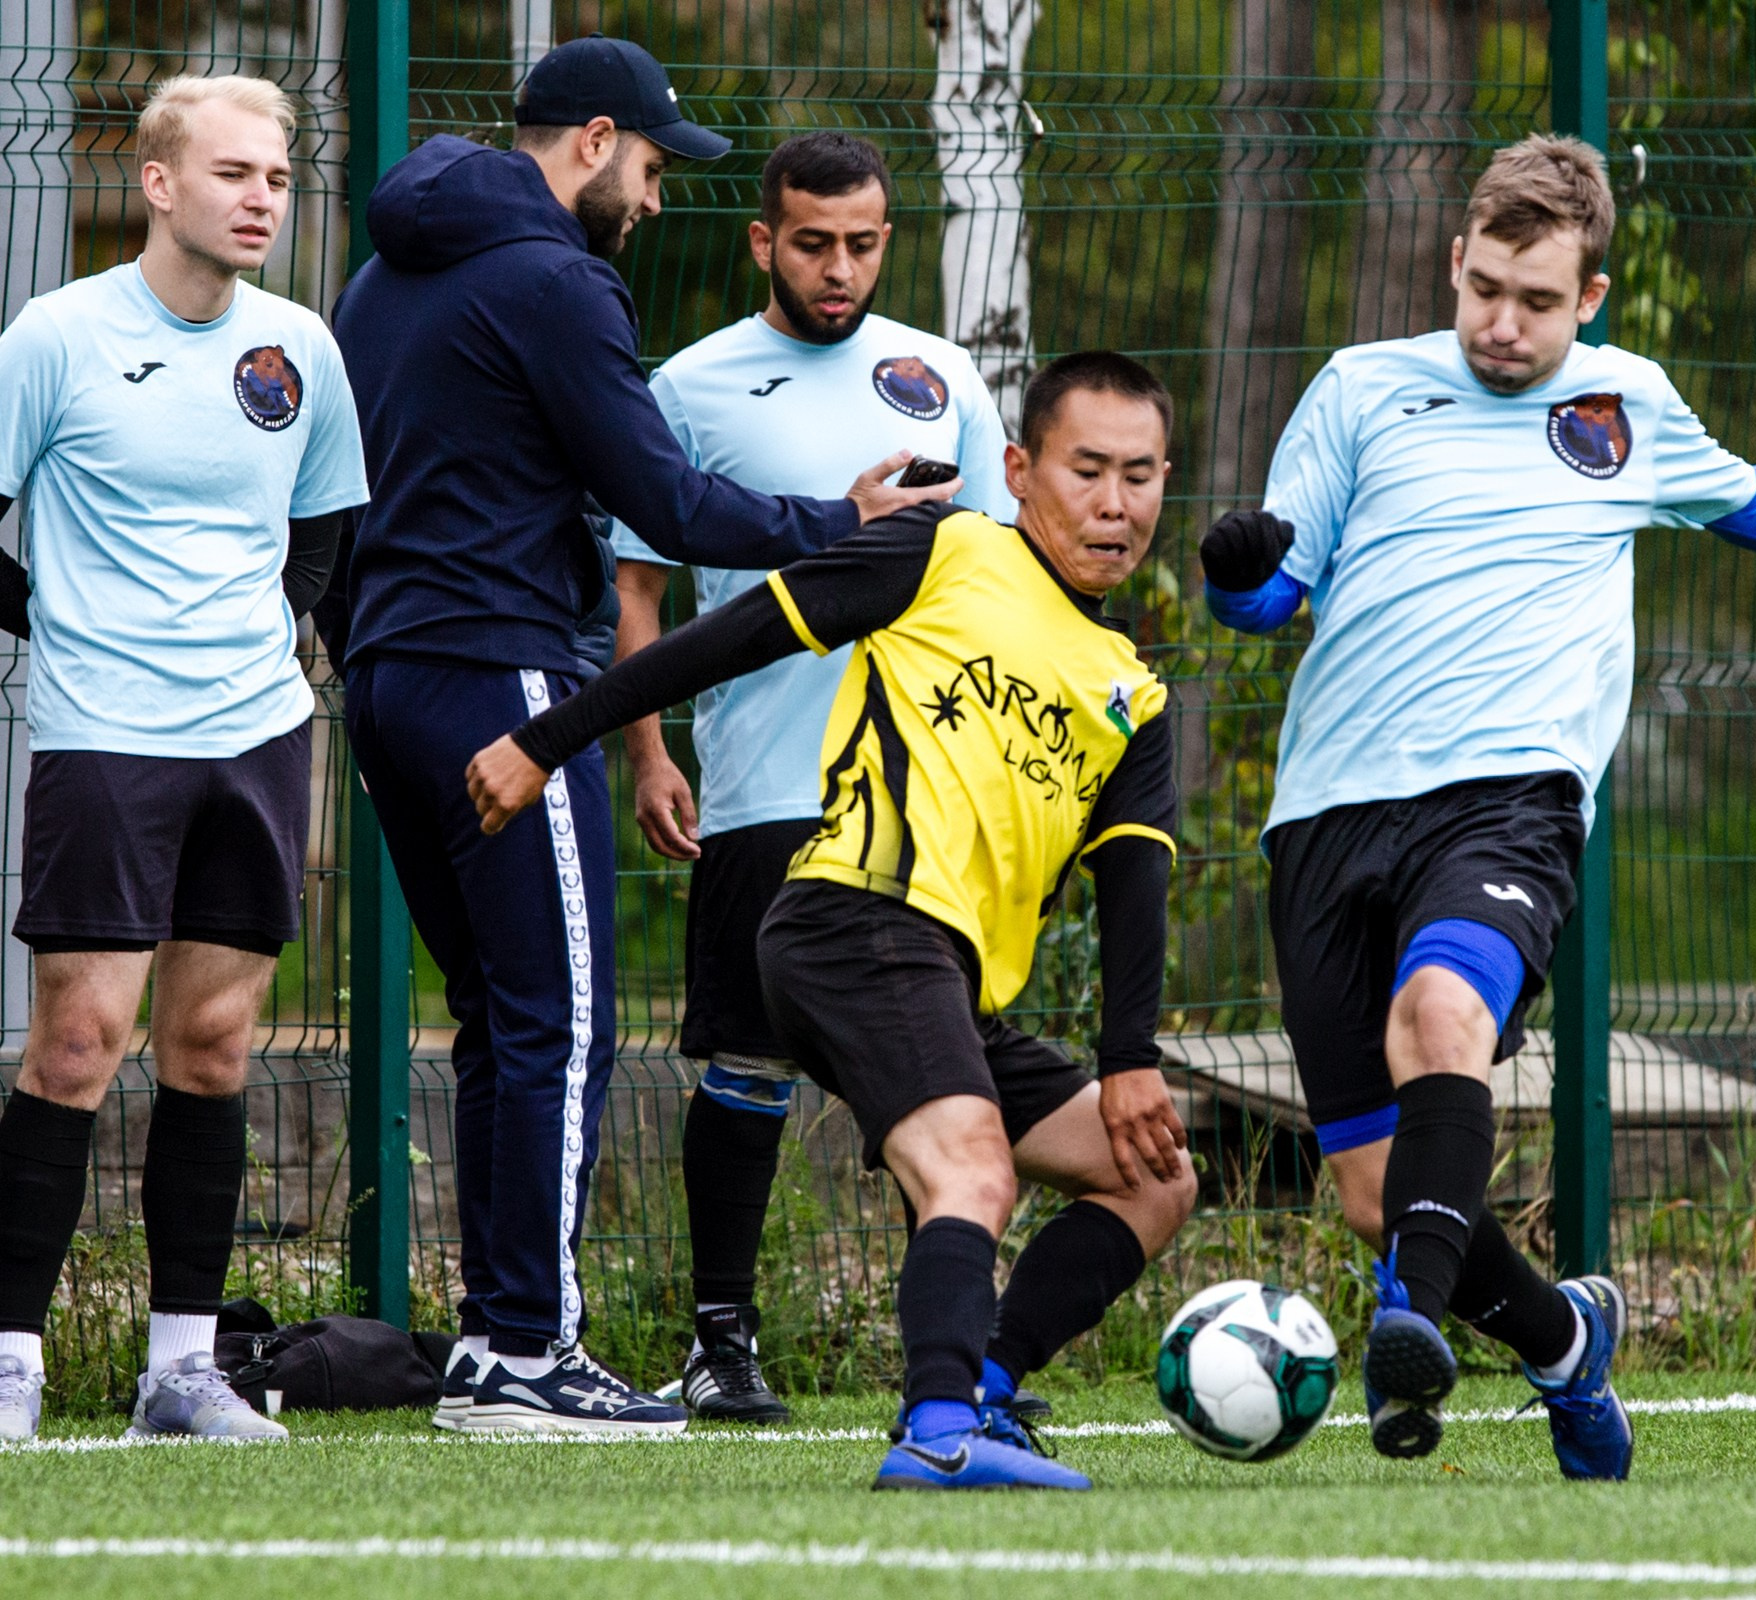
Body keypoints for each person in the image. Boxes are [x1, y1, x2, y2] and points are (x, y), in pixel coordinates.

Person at [1202, 134, 1756, 1479]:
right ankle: (1560, 1343)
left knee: (1445, 1019)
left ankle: (1404, 1324)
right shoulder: (1363, 388)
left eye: (1538, 301)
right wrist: (1236, 572)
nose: (1503, 321)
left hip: (1508, 798)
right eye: (1485, 287)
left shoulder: (1623, 406)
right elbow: (1268, 599)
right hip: (1328, 816)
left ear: (1591, 296)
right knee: (1376, 1189)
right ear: (1454, 261)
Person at [330, 35, 957, 1437]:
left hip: (388, 675)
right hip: (504, 680)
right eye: (659, 167)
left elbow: (337, 494)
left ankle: (502, 1342)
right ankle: (528, 1351)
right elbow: (669, 505)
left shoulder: (382, 275)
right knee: (559, 1017)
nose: (659, 200)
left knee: (498, 1017)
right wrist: (836, 527)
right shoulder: (557, 278)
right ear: (597, 140)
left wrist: (357, 639)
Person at [465, 352, 1198, 1491]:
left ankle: (985, 1390)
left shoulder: (1131, 690)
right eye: (1087, 470)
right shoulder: (946, 549)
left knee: (1152, 1176)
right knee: (973, 1171)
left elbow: (1136, 879)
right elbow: (730, 636)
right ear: (1019, 470)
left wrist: (1130, 1060)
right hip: (855, 918)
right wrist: (545, 739)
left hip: (943, 977)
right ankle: (940, 1433)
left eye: (1140, 476)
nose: (1114, 504)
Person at [609, 129, 1015, 1423]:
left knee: (937, 1067)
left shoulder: (941, 373)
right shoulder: (692, 385)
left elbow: (1002, 579)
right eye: (812, 244)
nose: (838, 270)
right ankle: (719, 1344)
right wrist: (648, 746)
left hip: (926, 791)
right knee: (746, 1058)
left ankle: (956, 1361)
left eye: (862, 245)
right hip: (764, 781)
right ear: (762, 242)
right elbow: (638, 583)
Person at [0, 74, 369, 1442]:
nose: (262, 198)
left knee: (213, 1048)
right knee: (79, 1045)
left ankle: (182, 1372)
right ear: (159, 185)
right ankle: (11, 1366)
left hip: (258, 734)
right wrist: (67, 624)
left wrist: (281, 644)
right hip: (105, 733)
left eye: (275, 177)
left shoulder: (300, 348)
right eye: (233, 175)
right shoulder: (55, 336)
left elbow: (328, 531)